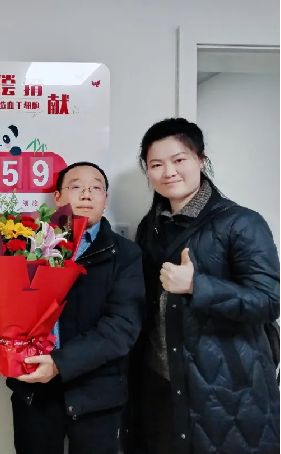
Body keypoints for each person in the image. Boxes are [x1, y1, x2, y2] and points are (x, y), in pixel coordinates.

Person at [127, 118, 280, 454]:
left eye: (179, 159)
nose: (168, 172)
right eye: (156, 164)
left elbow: (269, 301)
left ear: (200, 160)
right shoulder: (150, 227)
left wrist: (198, 286)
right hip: (161, 384)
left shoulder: (242, 222)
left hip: (226, 388)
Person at [3, 162, 145, 454]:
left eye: (96, 188)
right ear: (57, 197)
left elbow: (121, 326)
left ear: (105, 199)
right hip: (35, 391)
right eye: (76, 186)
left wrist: (60, 363)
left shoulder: (126, 254)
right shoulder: (27, 246)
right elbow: (6, 304)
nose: (86, 194)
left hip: (98, 396)